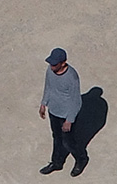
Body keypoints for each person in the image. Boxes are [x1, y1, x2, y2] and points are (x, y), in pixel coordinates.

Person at [38, 47, 89, 177]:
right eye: (51, 63)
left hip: (66, 115)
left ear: (63, 63)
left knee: (68, 142)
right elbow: (48, 87)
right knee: (56, 137)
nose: (51, 66)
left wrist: (69, 120)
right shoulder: (50, 71)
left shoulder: (71, 77)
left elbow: (76, 101)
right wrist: (44, 103)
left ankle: (81, 159)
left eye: (54, 64)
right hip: (53, 112)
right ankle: (56, 162)